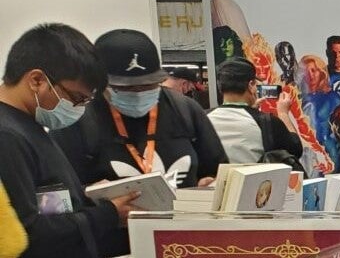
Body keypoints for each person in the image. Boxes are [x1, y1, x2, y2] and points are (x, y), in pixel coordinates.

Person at [0, 24, 135, 258]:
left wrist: (85, 195)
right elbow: (29, 231)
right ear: (37, 80)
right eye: (76, 98)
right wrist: (107, 214)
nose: (79, 108)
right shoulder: (7, 136)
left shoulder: (29, 125)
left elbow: (44, 199)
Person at [53, 30, 226, 191]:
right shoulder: (76, 120)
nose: (138, 94)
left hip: (183, 221)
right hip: (113, 223)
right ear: (100, 83)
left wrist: (210, 184)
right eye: (126, 88)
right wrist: (90, 199)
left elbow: (218, 170)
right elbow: (58, 194)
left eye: (148, 86)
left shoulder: (185, 110)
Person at [207, 58, 305, 166]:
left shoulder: (203, 119)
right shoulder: (267, 122)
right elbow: (295, 150)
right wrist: (283, 114)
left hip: (215, 182)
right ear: (251, 85)